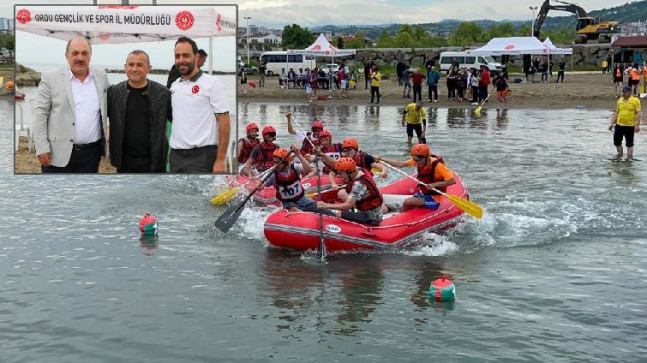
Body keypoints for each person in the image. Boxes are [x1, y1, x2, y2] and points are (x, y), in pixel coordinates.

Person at [32, 37, 109, 173]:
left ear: (90, 55)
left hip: (91, 155)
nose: (80, 58)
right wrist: (42, 147)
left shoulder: (101, 76)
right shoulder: (51, 77)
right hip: (56, 153)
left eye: (84, 53)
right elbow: (39, 113)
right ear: (66, 56)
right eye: (75, 53)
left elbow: (110, 105)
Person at [169, 36, 230, 173]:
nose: (181, 60)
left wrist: (220, 159)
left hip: (202, 157)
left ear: (196, 57)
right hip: (175, 156)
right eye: (177, 56)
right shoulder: (174, 86)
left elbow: (224, 120)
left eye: (185, 55)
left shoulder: (212, 83)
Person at [107, 50, 172, 173]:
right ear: (125, 67)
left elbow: (180, 121)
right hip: (124, 162)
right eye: (131, 64)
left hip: (154, 163)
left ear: (149, 68)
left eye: (140, 65)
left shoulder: (163, 94)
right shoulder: (114, 93)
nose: (134, 69)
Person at [377, 144, 455, 211]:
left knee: (408, 202)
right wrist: (381, 159)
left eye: (417, 160)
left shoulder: (438, 166)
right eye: (414, 160)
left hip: (436, 197)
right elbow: (399, 164)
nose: (415, 162)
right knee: (406, 205)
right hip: (423, 193)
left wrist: (434, 185)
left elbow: (452, 181)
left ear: (426, 157)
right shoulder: (418, 159)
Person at [259, 147, 335, 216]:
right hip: (289, 204)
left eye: (278, 162)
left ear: (285, 162)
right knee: (301, 214)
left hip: (303, 200)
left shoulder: (294, 167)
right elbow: (262, 185)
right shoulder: (273, 175)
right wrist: (259, 185)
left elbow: (308, 169)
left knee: (327, 213)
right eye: (274, 162)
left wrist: (298, 155)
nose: (275, 165)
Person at [316, 138, 387, 202]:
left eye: (349, 150)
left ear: (356, 149)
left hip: (364, 184)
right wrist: (333, 183)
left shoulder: (365, 158)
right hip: (351, 184)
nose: (347, 153)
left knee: (342, 194)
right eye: (345, 150)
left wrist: (383, 172)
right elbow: (332, 172)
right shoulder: (344, 159)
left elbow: (380, 166)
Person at [317, 158, 384, 226]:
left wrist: (326, 205)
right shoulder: (360, 171)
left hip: (371, 218)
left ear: (348, 172)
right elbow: (335, 164)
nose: (340, 176)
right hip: (371, 212)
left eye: (341, 173)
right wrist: (321, 155)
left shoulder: (359, 185)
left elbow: (348, 206)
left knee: (340, 214)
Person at [609, 86, 641, 161]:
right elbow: (617, 112)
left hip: (629, 126)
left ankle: (629, 158)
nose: (623, 93)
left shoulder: (635, 100)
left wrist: (637, 125)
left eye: (624, 92)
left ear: (629, 92)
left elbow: (638, 113)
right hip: (619, 125)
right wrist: (612, 124)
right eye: (622, 92)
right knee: (616, 142)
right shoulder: (620, 100)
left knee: (629, 143)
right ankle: (620, 154)